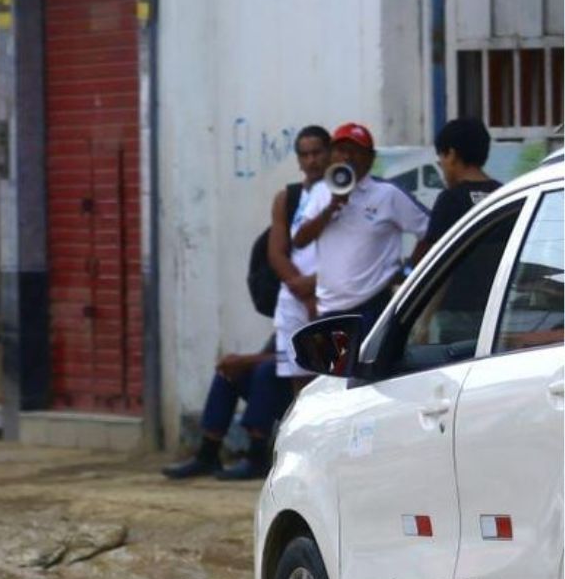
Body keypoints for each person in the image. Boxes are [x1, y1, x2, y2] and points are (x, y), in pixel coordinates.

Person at [163, 125, 330, 481]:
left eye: (318, 152)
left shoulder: (340, 198)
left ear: (329, 154)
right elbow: (276, 252)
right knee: (232, 369)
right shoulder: (288, 199)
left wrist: (314, 291)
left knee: (269, 369)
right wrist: (299, 288)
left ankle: (257, 455)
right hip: (299, 301)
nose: (312, 160)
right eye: (305, 154)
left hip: (327, 305)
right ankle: (208, 452)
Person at [293, 122, 428, 340]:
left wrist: (407, 272)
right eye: (340, 150)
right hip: (329, 309)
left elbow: (429, 231)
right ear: (331, 155)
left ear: (370, 158)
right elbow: (300, 240)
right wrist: (330, 208)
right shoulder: (320, 192)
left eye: (355, 151)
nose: (347, 157)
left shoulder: (387, 194)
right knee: (334, 363)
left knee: (370, 362)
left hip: (374, 306)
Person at [416, 117, 501, 259]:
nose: (442, 166)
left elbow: (431, 256)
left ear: (451, 155)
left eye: (441, 159)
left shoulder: (450, 200)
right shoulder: (504, 195)